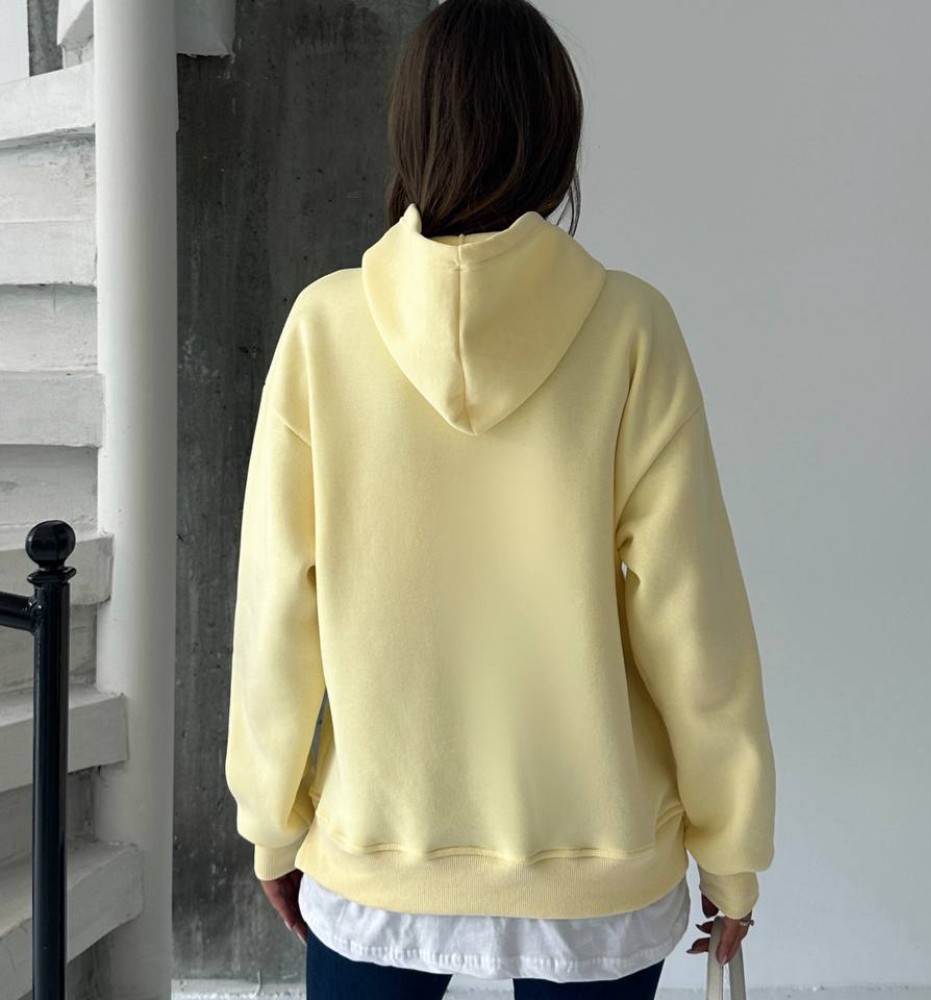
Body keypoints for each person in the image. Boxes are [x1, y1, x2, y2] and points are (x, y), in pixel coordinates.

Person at [224, 0, 777, 996]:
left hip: (380, 856)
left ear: (411, 131)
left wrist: (271, 820)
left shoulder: (325, 329)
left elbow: (277, 611)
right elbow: (692, 615)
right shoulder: (630, 329)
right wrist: (731, 851)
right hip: (596, 867)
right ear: (554, 138)